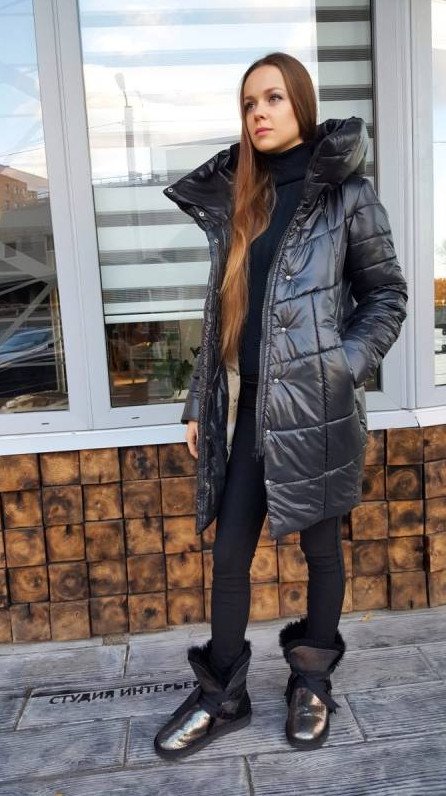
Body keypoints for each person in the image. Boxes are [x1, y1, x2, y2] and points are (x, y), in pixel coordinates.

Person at [154, 52, 408, 760]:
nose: (258, 113)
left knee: (321, 550)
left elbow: (387, 294)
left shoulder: (347, 195)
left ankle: (312, 682)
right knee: (230, 553)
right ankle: (222, 697)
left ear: (301, 102)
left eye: (272, 98)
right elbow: (223, 317)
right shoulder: (246, 198)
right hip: (248, 410)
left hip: (317, 410)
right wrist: (196, 402)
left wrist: (341, 367)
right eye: (248, 104)